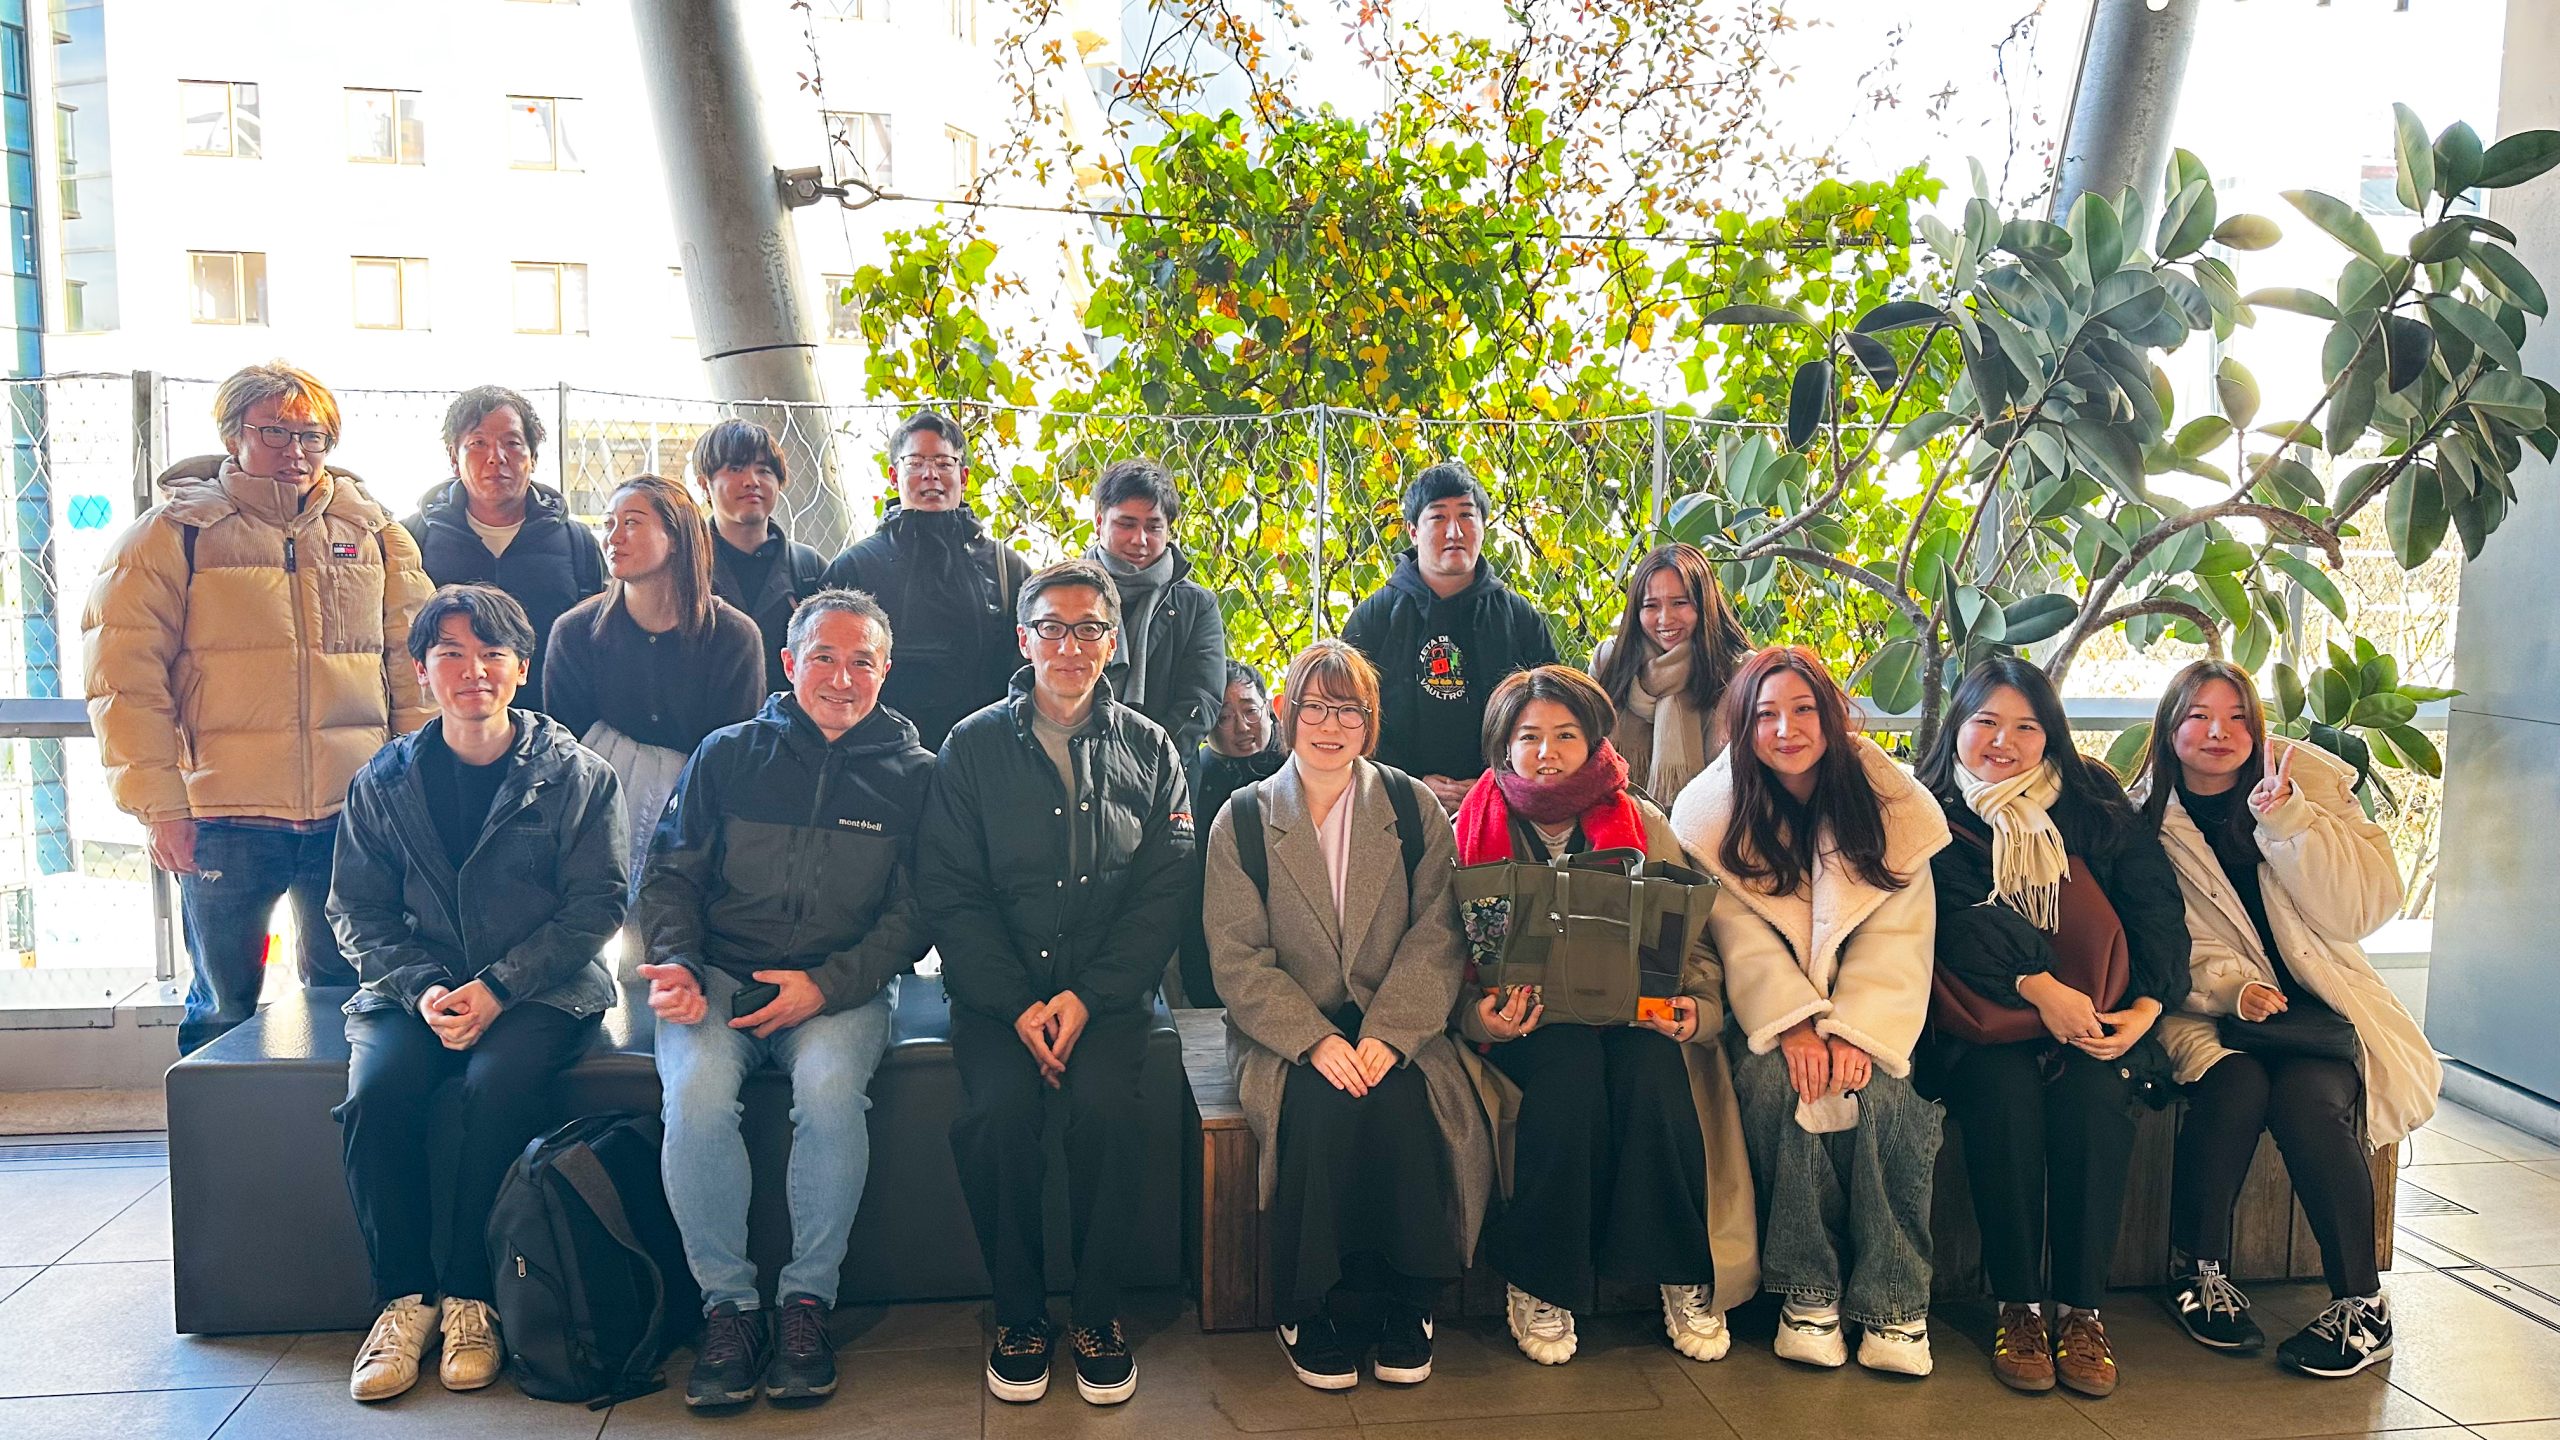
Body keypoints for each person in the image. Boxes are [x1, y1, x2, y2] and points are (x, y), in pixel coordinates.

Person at [634, 589, 935, 1408]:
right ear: (790, 662)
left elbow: (916, 914)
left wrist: (828, 985)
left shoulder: (915, 776)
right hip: (720, 977)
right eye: (824, 658)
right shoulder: (728, 755)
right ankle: (729, 1311)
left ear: (885, 670)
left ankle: (806, 1305)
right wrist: (677, 963)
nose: (842, 678)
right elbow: (669, 874)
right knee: (695, 1099)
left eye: (862, 661)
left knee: (831, 1096)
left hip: (840, 987)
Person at [327, 585, 625, 1404]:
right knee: (379, 1094)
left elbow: (597, 905)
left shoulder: (576, 776)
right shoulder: (383, 782)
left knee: (495, 1090)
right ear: (422, 671)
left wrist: (497, 987)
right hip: (411, 991)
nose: (473, 671)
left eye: (492, 653)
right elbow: (356, 911)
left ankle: (471, 1297)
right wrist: (424, 988)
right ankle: (401, 1300)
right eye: (451, 654)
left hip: (541, 989)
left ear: (521, 668)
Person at [82, 360, 433, 1054]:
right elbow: (124, 681)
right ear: (233, 435)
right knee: (223, 1005)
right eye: (275, 431)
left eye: (313, 435)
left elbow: (415, 670)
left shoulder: (375, 533)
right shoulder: (171, 534)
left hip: (352, 812)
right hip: (223, 816)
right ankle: (214, 1125)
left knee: (352, 999)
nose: (296, 450)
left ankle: (335, 1123)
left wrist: (411, 793)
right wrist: (161, 807)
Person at [915, 558, 1196, 1407]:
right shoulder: (969, 747)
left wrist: (1088, 996)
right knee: (997, 1116)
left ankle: (1098, 1314)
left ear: (1112, 641)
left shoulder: (1151, 749)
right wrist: (1019, 1004)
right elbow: (951, 892)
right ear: (1023, 639)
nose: (1069, 646)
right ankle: (1020, 1314)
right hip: (999, 1000)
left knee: (1109, 1110)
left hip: (1106, 998)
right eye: (1052, 628)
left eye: (1088, 629)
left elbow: (1165, 891)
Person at [2133, 659, 2439, 1379]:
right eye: (2199, 715)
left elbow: (2359, 911)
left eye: (2237, 716)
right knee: (2235, 1084)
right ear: (2169, 727)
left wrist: (2289, 821)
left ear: (2258, 726)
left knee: (2308, 1102)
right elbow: (2153, 936)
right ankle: (2198, 1272)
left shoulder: (2313, 787)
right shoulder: (2139, 819)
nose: (2219, 732)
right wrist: (2230, 989)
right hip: (2204, 1008)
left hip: (2316, 1008)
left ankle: (2362, 1305)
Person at [1203, 639, 1489, 1391]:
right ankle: (1307, 1308)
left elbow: (1439, 934)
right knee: (1316, 1106)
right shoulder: (1242, 819)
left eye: (1348, 711)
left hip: (1398, 1020)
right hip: (1284, 1031)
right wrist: (1314, 1040)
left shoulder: (1411, 808)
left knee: (1404, 1100)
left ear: (1372, 719)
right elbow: (1237, 958)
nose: (1330, 726)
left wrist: (1390, 1035)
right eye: (1315, 708)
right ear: (1287, 714)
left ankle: (1410, 1303)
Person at [1452, 666, 1757, 1369]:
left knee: (1653, 1070)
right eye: (1529, 737)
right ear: (1503, 746)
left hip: (1632, 1018)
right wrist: (1479, 1018)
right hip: (1525, 1030)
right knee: (1568, 1071)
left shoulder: (1642, 823)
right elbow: (1442, 953)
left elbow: (1692, 941)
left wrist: (1698, 1011)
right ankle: (1540, 1281)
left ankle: (1681, 1272)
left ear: (1594, 741)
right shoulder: (1466, 829)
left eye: (1566, 735)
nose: (1547, 753)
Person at [1913, 656, 2192, 1397]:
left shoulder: (2091, 801)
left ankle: (2081, 1310)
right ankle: (2018, 1307)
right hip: (1983, 1021)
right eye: (1986, 722)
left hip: (2102, 1014)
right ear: (1958, 726)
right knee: (2002, 1098)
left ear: (2051, 735)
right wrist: (2040, 987)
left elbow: (2154, 905)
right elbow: (1950, 921)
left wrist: (2146, 1009)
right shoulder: (1930, 810)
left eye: (2026, 727)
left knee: (2096, 1100)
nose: (2003, 742)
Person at [1669, 646, 1949, 1376]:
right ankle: (1807, 1289)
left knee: (1884, 1094)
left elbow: (1901, 933)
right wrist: (1792, 1021)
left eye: (1802, 711)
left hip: (1878, 1015)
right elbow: (1737, 936)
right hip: (1768, 1016)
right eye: (1766, 715)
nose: (1785, 730)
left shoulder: (1892, 806)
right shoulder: (1713, 813)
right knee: (1774, 1082)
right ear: (1742, 726)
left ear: (1832, 716)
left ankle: (1896, 1299)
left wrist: (1857, 1030)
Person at [543, 475, 764, 889]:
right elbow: (565, 753)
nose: (613, 537)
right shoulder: (574, 632)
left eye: (631, 522)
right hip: (593, 826)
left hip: (696, 835)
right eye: (609, 523)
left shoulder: (735, 637)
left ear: (676, 537)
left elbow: (733, 759)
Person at [1341, 462, 1559, 815]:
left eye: (1467, 516)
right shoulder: (1374, 618)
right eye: (1439, 517)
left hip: (1503, 808)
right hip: (1394, 808)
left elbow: (1551, 714)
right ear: (1413, 531)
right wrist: (1411, 784)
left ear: (1484, 527)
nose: (1455, 531)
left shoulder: (1519, 619)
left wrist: (1496, 781)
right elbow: (1347, 718)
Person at [823, 410, 1032, 750]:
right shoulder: (855, 568)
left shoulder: (1006, 568)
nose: (930, 474)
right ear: (894, 475)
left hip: (985, 752)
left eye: (943, 463)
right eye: (916, 463)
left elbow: (1028, 667)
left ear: (964, 476)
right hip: (880, 755)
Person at [400, 385, 605, 714]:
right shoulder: (412, 539)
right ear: (454, 458)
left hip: (556, 729)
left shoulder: (577, 543)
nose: (496, 457)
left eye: (512, 443)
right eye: (478, 443)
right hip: (447, 730)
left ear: (533, 457)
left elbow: (599, 642)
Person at [1084, 458, 1227, 756]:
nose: (1140, 539)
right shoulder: (1064, 593)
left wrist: (1147, 760)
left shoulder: (1196, 605)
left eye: (1153, 527)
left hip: (1162, 766)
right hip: (1073, 759)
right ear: (1099, 522)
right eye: (1126, 524)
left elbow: (1201, 699)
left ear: (1168, 530)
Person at [1589, 543, 1749, 809]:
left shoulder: (1740, 672)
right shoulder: (1610, 662)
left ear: (1705, 604)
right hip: (1616, 817)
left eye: (1680, 603)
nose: (1665, 618)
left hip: (1712, 819)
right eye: (1651, 605)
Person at [696, 419, 828, 697]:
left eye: (764, 470)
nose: (751, 481)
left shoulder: (809, 569)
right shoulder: (683, 567)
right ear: (705, 484)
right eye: (736, 468)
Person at [1177, 660, 1283, 1006]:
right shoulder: (1191, 776)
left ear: (1268, 708)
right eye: (1224, 717)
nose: (1242, 727)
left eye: (1250, 711)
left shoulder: (1298, 765)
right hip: (1216, 935)